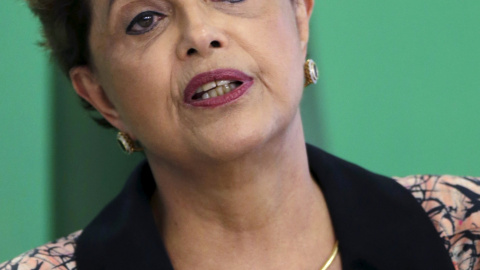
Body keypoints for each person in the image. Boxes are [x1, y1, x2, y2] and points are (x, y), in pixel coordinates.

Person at [1, 0, 479, 269]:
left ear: (298, 14)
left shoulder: (465, 230)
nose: (201, 32)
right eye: (144, 19)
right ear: (101, 95)